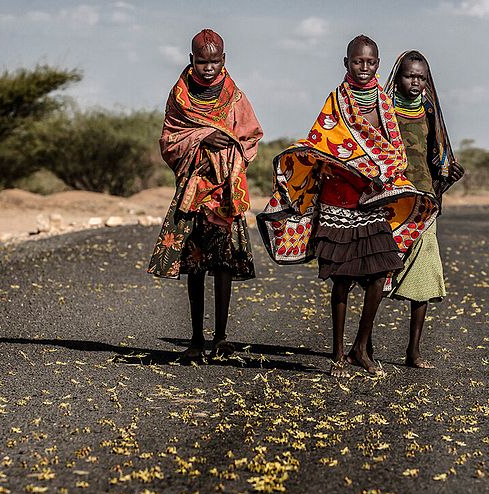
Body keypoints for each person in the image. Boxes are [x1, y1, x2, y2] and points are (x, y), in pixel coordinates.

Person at [257, 36, 438, 378]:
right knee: (341, 279)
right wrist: (344, 163)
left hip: (373, 200)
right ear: (346, 63)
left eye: (370, 63)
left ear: (378, 64)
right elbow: (320, 143)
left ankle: (360, 346)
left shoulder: (384, 103)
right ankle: (338, 354)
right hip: (339, 200)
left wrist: (381, 172)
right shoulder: (336, 102)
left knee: (379, 272)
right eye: (358, 62)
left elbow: (394, 148)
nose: (364, 68)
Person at [148, 29, 263, 361]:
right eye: (202, 61)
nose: (208, 67)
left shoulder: (235, 97)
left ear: (223, 59)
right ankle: (197, 340)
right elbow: (169, 140)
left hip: (224, 193)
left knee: (224, 264)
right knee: (195, 265)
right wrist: (202, 138)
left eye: (214, 61)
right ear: (191, 60)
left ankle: (222, 340)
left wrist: (231, 155)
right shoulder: (180, 96)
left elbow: (252, 136)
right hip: (194, 193)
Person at [384, 50, 464, 368]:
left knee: (425, 275)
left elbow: (437, 159)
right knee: (375, 276)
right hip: (388, 202)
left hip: (424, 202)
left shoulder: (430, 111)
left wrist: (449, 175)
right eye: (409, 76)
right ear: (398, 76)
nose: (415, 82)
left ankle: (413, 351)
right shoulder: (383, 109)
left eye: (421, 77)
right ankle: (365, 348)